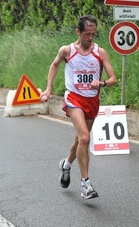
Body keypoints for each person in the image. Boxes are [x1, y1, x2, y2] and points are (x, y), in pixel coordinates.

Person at [41, 15, 117, 199]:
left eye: (93, 34)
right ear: (78, 32)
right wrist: (48, 88)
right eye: (87, 34)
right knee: (84, 138)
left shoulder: (100, 52)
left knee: (78, 140)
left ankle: (66, 164)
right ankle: (85, 184)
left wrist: (102, 83)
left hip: (92, 100)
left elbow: (113, 79)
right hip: (74, 98)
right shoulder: (67, 51)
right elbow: (54, 65)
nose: (90, 38)